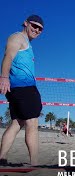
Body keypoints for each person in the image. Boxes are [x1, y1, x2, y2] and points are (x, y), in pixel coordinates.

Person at [0, 15, 44, 166]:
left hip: (18, 88)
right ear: (25, 23)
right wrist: (4, 77)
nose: (37, 30)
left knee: (17, 123)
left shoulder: (27, 44)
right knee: (32, 123)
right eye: (34, 25)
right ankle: (35, 164)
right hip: (23, 88)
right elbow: (8, 56)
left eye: (40, 28)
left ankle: (2, 159)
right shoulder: (17, 37)